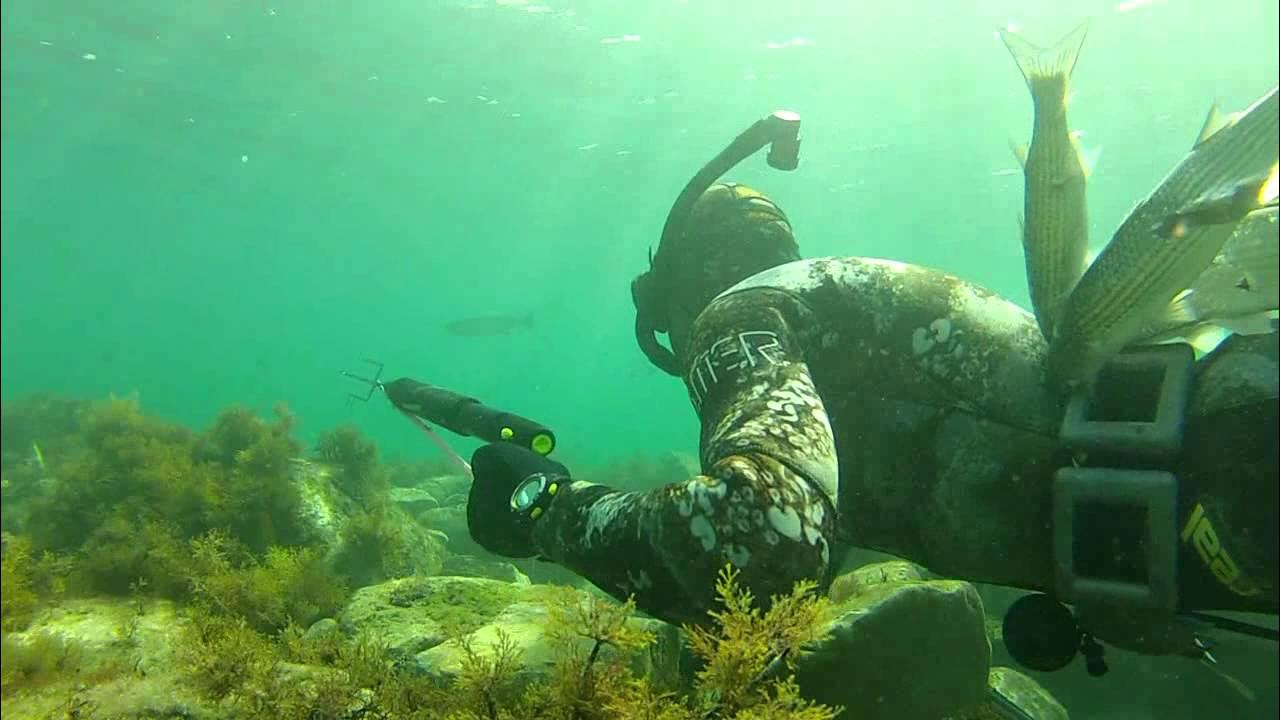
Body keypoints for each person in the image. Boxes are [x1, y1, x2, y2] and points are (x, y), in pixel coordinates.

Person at [460, 113, 1278, 675]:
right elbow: (810, 533)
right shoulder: (835, 313)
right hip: (1233, 459)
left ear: (677, 283)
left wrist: (550, 512)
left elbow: (762, 543)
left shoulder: (740, 316)